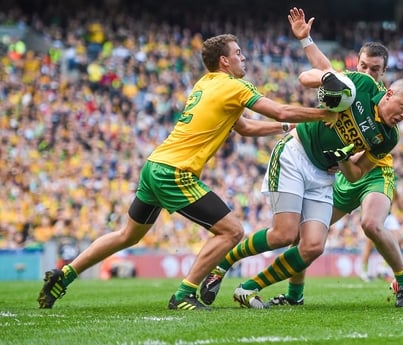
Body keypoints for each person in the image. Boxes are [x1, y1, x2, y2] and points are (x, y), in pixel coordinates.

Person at [37, 33, 338, 311]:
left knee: (127, 235)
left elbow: (244, 127)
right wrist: (324, 115)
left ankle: (64, 275)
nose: (244, 57)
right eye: (238, 53)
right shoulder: (234, 86)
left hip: (155, 165)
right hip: (174, 171)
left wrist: (286, 127)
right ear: (225, 61)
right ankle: (184, 294)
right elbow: (281, 110)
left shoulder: (205, 83)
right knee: (231, 231)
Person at [199, 8, 403, 309]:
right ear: (390, 93)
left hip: (326, 173)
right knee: (285, 235)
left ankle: (249, 288)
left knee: (313, 245)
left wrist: (343, 159)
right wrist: (309, 51)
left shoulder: (389, 138)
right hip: (296, 153)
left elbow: (356, 174)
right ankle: (224, 263)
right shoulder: (361, 87)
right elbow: (315, 74)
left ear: (385, 72)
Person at [267, 8, 403, 308]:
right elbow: (326, 73)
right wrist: (306, 40)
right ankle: (295, 295)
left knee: (371, 225)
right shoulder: (354, 87)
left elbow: (367, 158)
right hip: (344, 169)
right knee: (304, 233)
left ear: (384, 76)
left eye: (375, 69)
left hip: (374, 171)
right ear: (357, 63)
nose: (367, 73)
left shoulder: (385, 113)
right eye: (364, 66)